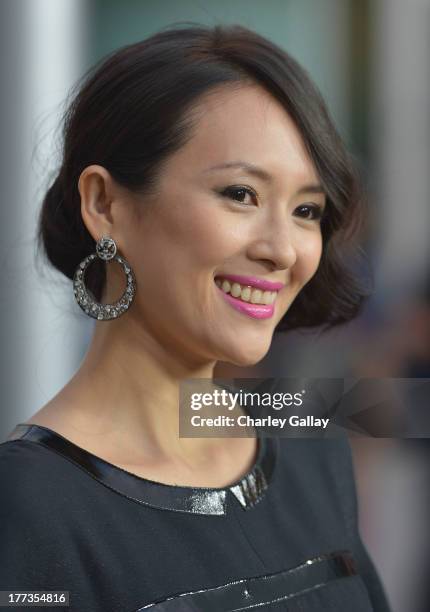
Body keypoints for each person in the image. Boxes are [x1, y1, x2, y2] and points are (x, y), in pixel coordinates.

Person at [0, 24, 391, 611]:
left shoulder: (315, 452)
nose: (283, 249)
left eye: (306, 209)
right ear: (106, 205)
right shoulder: (28, 505)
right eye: (240, 194)